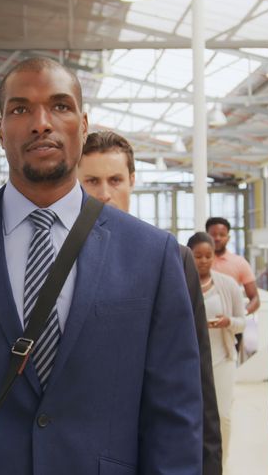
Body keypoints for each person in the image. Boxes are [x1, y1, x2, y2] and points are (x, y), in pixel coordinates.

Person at [0, 57, 202, 474]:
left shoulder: (152, 254)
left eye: (60, 106)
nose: (41, 122)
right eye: (20, 109)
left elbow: (175, 412)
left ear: (83, 125)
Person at [77, 130, 222, 475]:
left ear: (133, 181)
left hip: (153, 447)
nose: (105, 193)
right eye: (92, 181)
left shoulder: (171, 259)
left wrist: (209, 465)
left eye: (115, 179)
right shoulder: (53, 261)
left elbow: (198, 379)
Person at [186, 231, 247, 465]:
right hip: (192, 360)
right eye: (197, 256)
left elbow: (242, 321)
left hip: (222, 359)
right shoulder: (181, 283)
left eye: (207, 256)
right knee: (194, 416)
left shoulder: (228, 285)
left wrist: (227, 322)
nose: (202, 261)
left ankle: (220, 462)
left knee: (222, 415)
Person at [206, 217, 260, 314]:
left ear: (228, 237)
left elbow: (255, 298)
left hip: (232, 324)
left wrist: (242, 314)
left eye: (222, 235)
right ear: (206, 236)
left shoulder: (239, 262)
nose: (217, 238)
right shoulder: (198, 263)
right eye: (213, 235)